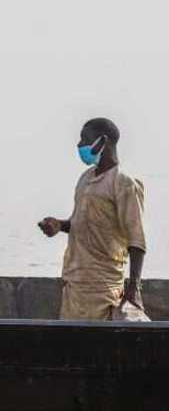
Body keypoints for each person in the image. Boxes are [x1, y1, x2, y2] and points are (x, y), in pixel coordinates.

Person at [38, 118, 146, 320]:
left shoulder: (124, 183)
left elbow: (137, 240)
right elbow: (80, 223)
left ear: (102, 141)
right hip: (74, 286)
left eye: (84, 139)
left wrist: (134, 288)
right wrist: (59, 225)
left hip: (103, 290)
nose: (79, 145)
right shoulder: (85, 179)